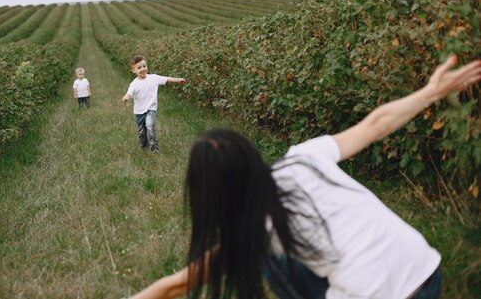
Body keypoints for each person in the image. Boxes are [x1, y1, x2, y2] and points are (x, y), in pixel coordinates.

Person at [129, 55, 481, 299]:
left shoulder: (254, 230)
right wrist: (431, 92)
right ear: (251, 155)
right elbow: (376, 125)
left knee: (267, 260)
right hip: (426, 270)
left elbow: (178, 285)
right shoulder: (304, 157)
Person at [121, 55, 185, 153]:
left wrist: (178, 80)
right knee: (141, 131)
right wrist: (126, 97)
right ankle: (143, 146)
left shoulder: (154, 78)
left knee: (150, 126)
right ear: (134, 70)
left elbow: (167, 79)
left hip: (151, 108)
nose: (143, 69)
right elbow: (129, 93)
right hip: (138, 111)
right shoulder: (134, 83)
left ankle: (154, 148)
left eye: (144, 66)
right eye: (139, 68)